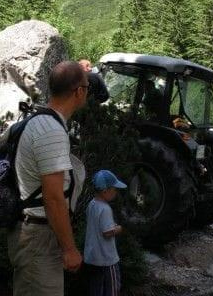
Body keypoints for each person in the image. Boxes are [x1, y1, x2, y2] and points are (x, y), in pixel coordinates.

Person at [7, 61, 88, 296]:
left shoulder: (40, 120)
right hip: (38, 239)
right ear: (79, 91)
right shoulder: (51, 131)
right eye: (87, 86)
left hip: (35, 234)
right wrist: (70, 249)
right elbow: (53, 198)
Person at [84, 170, 127, 296]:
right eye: (114, 189)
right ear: (105, 191)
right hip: (107, 259)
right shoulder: (105, 208)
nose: (116, 192)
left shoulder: (91, 205)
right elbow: (107, 233)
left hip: (92, 258)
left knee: (95, 289)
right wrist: (120, 228)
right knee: (112, 288)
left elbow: (97, 226)